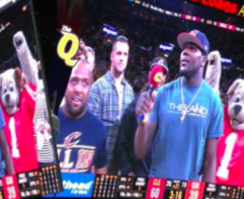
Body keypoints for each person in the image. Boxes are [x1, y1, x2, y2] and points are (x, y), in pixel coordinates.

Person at [134, 29, 223, 182]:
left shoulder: (213, 102)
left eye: (192, 48)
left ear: (203, 60)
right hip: (156, 186)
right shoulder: (163, 92)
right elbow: (140, 152)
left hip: (189, 192)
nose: (185, 52)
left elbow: (209, 161)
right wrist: (141, 121)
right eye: (184, 48)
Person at [88, 35, 134, 173]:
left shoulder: (130, 92)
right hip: (98, 166)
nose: (122, 58)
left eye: (125, 54)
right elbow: (91, 131)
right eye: (119, 53)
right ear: (111, 56)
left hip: (119, 167)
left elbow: (130, 131)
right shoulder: (98, 87)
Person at [115, 57, 169, 176]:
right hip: (135, 174)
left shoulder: (168, 111)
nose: (160, 76)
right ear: (150, 74)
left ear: (165, 79)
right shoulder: (134, 107)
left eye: (164, 73)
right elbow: (121, 143)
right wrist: (127, 169)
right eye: (157, 71)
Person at [57, 60, 107, 174]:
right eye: (74, 81)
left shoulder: (99, 129)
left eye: (85, 83)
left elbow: (102, 181)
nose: (79, 89)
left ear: (90, 88)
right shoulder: (48, 123)